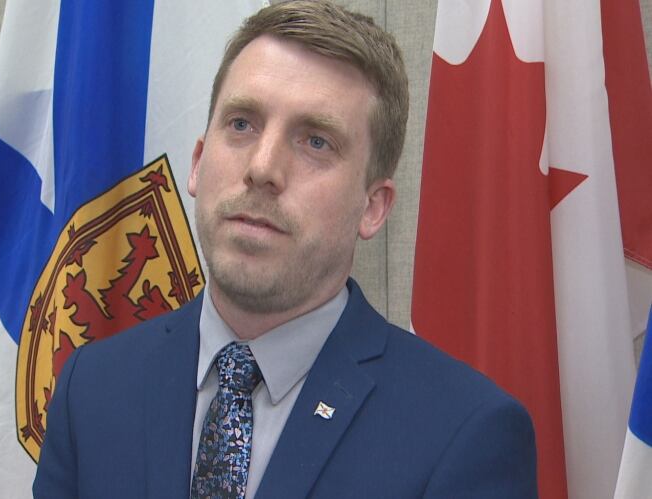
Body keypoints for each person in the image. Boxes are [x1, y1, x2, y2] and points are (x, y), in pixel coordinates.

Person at [33, 1, 538, 498]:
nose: (263, 167)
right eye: (242, 124)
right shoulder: (92, 389)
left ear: (373, 207)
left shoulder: (463, 433)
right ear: (197, 163)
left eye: (315, 141)